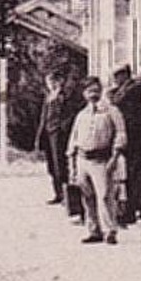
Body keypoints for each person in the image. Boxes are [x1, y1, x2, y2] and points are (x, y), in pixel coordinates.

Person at [66, 77, 127, 244]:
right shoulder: (81, 115)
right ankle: (94, 230)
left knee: (105, 196)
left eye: (95, 90)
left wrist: (115, 157)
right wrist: (72, 165)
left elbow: (120, 135)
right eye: (89, 91)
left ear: (101, 91)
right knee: (87, 197)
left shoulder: (111, 111)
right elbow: (73, 139)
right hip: (82, 159)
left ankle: (110, 231)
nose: (93, 94)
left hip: (102, 159)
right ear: (84, 94)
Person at [107, 64, 141, 225]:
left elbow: (137, 89)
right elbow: (115, 101)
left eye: (117, 76)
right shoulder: (119, 91)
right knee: (125, 175)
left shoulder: (135, 88)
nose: (115, 80)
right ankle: (132, 207)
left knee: (138, 174)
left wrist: (129, 84)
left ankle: (137, 207)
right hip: (125, 136)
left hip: (138, 137)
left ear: (124, 75)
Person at [37, 71, 85, 219]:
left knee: (61, 166)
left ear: (59, 82)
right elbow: (43, 118)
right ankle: (58, 193)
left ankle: (66, 195)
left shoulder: (66, 96)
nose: (51, 85)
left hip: (60, 134)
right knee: (52, 166)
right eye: (49, 82)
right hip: (49, 133)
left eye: (53, 82)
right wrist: (40, 135)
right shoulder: (49, 97)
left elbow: (71, 115)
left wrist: (62, 128)